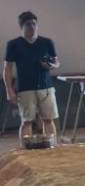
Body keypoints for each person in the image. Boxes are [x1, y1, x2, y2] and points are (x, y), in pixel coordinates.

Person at [4, 11, 59, 144]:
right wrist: (9, 90)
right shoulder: (13, 44)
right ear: (22, 26)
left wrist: (50, 65)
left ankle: (52, 147)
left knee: (49, 119)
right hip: (25, 88)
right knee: (27, 121)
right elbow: (7, 69)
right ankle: (25, 151)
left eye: (34, 24)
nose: (32, 27)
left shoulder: (47, 42)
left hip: (46, 87)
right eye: (28, 24)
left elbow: (56, 62)